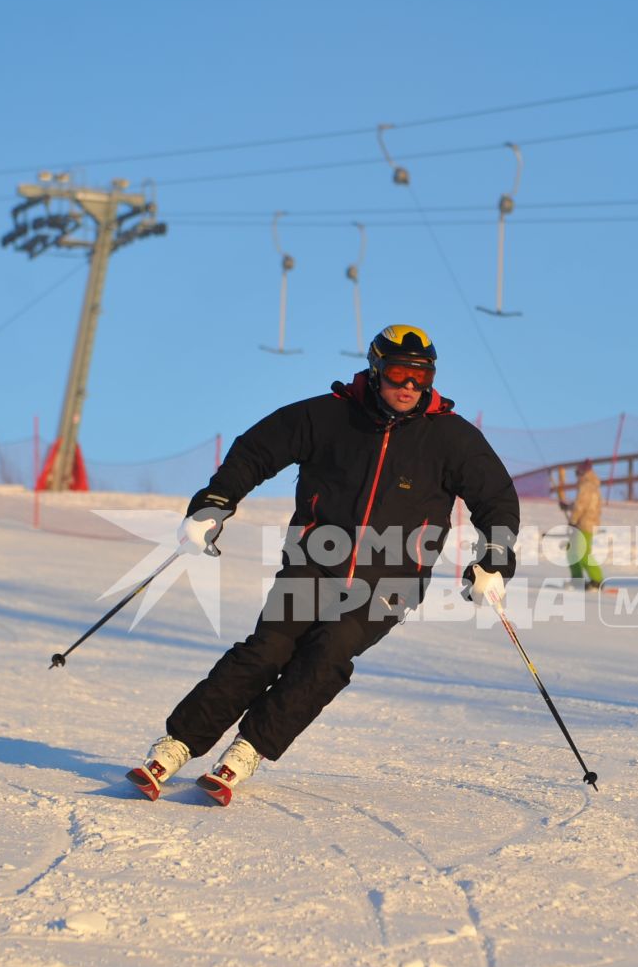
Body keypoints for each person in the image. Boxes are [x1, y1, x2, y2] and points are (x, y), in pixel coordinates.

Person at [129, 325, 520, 805]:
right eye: (399, 373)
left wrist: (495, 560)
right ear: (376, 370)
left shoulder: (451, 438)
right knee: (266, 651)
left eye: (421, 377)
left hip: (392, 579)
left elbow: (497, 500)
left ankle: (249, 749)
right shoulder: (329, 416)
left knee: (328, 653)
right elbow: (256, 450)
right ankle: (177, 745)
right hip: (314, 563)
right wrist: (214, 503)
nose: (409, 387)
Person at [567, 458, 604, 590]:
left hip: (584, 524)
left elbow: (580, 506)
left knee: (581, 553)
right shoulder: (592, 485)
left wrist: (573, 521)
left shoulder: (586, 485)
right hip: (588, 523)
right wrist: (568, 506)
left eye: (577, 472)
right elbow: (585, 504)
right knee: (572, 550)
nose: (576, 476)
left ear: (582, 472)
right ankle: (577, 580)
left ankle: (597, 580)